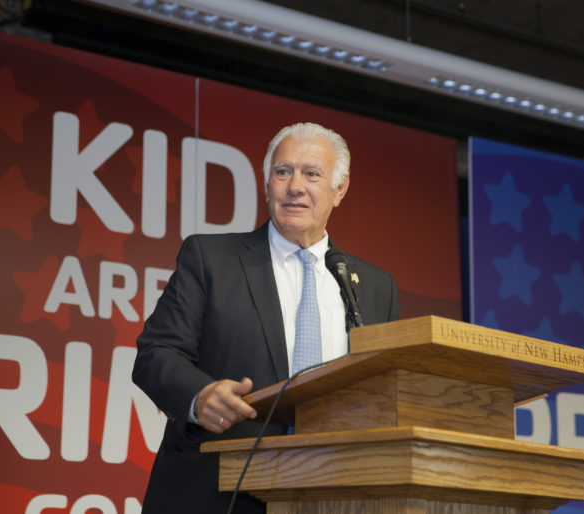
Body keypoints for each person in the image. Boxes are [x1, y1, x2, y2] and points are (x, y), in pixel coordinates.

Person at [133, 122, 400, 513]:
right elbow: (156, 353)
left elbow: (386, 390)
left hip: (335, 494)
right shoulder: (211, 260)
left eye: (312, 174)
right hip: (220, 492)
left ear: (339, 189)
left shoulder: (376, 286)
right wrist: (199, 395)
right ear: (266, 184)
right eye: (283, 171)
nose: (295, 186)